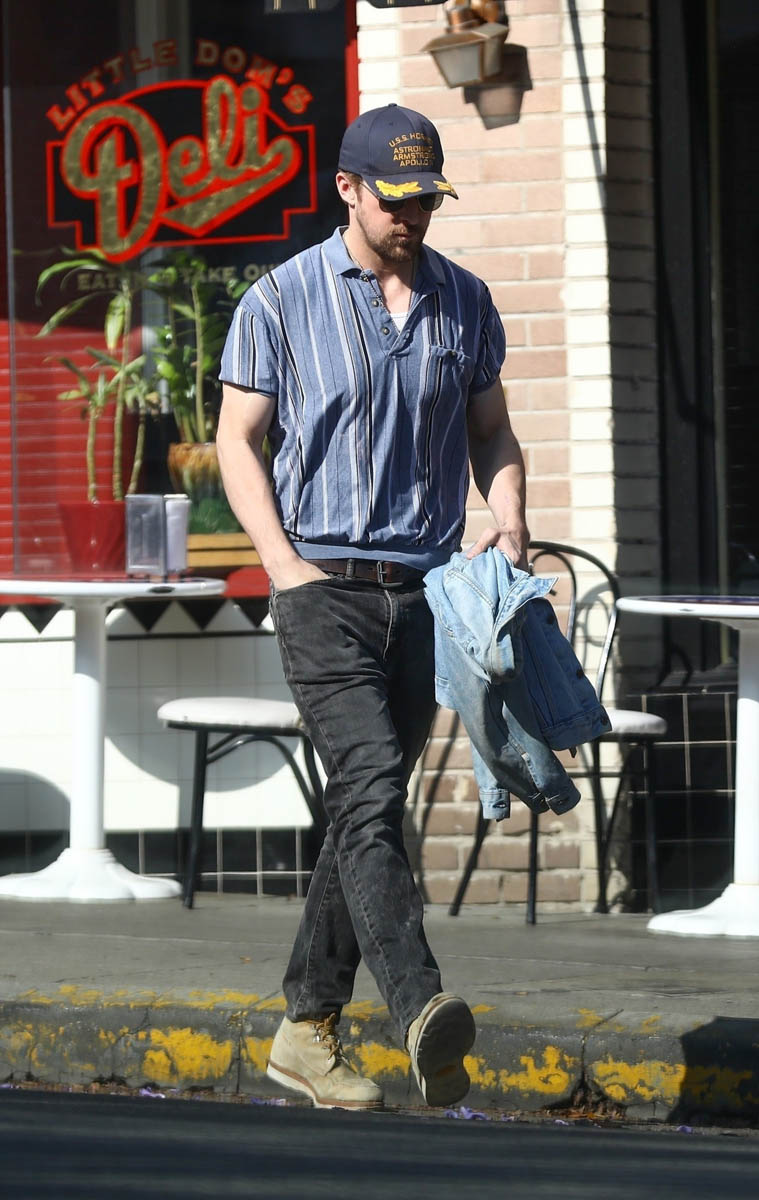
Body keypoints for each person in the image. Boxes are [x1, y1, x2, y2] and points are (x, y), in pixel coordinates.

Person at [216, 103, 528, 1110]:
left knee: (367, 806)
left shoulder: (465, 301)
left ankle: (306, 1030)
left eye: (426, 199)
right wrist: (281, 565)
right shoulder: (279, 299)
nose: (412, 216)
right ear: (346, 188)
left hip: (426, 594)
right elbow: (236, 440)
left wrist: (509, 520)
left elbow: (491, 431)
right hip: (322, 590)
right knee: (368, 788)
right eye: (394, 199)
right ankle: (419, 1004)